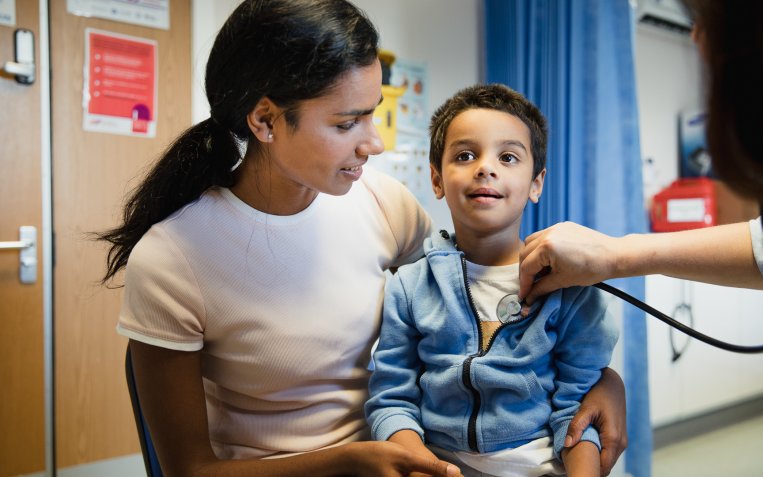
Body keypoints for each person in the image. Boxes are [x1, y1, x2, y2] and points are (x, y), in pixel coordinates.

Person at [96, 1, 627, 475]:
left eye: (372, 113)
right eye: (348, 122)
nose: (373, 143)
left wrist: (601, 382)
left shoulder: (382, 203)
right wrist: (350, 461)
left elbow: (469, 301)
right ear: (265, 120)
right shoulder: (173, 258)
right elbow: (190, 471)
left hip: (413, 455)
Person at [519, 2, 763, 476]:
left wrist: (601, 378)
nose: (696, 41)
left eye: (706, 22)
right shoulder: (422, 273)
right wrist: (614, 255)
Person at [365, 84, 619, 477]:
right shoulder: (410, 286)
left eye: (508, 157)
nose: (485, 167)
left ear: (536, 183)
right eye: (465, 155)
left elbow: (577, 409)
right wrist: (422, 466)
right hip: (439, 466)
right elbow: (392, 401)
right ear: (436, 179)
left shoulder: (570, 287)